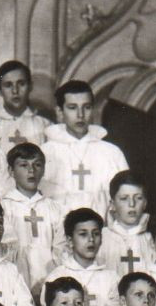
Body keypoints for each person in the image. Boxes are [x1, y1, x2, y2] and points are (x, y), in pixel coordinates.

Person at [40, 80, 127, 215]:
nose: (80, 115)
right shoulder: (45, 152)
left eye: (86, 107)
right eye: (72, 107)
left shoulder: (111, 152)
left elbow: (125, 197)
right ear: (60, 111)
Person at [39, 208, 119, 306]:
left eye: (96, 234)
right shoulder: (56, 277)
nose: (91, 240)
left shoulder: (111, 278)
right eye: (83, 234)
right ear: (70, 240)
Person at [0, 142, 64, 287]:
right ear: (11, 171)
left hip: (51, 281)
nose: (31, 171)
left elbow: (61, 251)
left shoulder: (55, 209)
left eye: (37, 165)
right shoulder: (3, 208)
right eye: (23, 165)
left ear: (44, 169)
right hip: (16, 281)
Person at [97, 171, 155, 282]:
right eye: (124, 198)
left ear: (145, 203)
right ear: (112, 204)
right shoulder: (101, 238)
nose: (132, 204)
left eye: (138, 198)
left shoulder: (152, 240)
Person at [0, 60, 46, 150]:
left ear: (30, 86)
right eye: (8, 85)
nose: (15, 91)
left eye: (21, 84)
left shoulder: (44, 125)